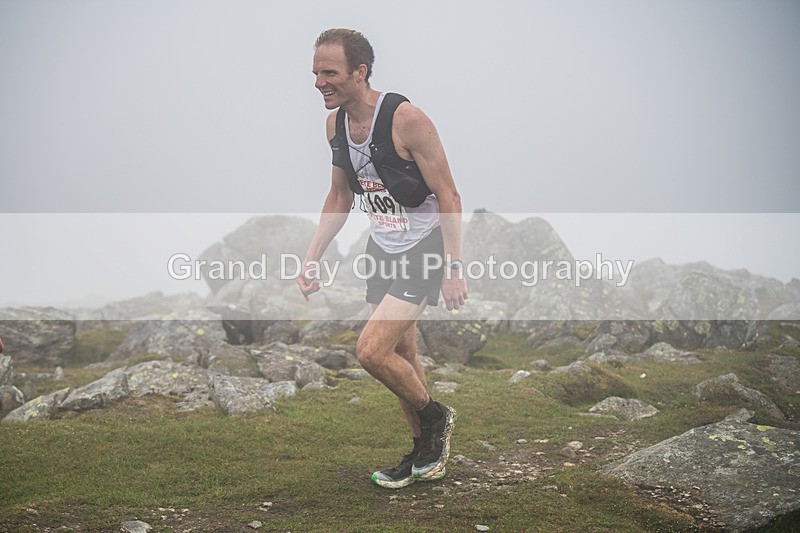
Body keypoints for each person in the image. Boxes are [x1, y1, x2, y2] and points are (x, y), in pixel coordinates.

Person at [297, 28, 468, 489]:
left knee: (371, 352)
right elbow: (339, 196)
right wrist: (312, 257)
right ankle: (423, 453)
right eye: (315, 73)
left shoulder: (406, 119)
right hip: (383, 248)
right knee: (401, 351)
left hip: (424, 247)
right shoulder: (334, 126)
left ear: (360, 71)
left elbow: (449, 194)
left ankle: (437, 419)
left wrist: (453, 267)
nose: (319, 82)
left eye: (329, 73)